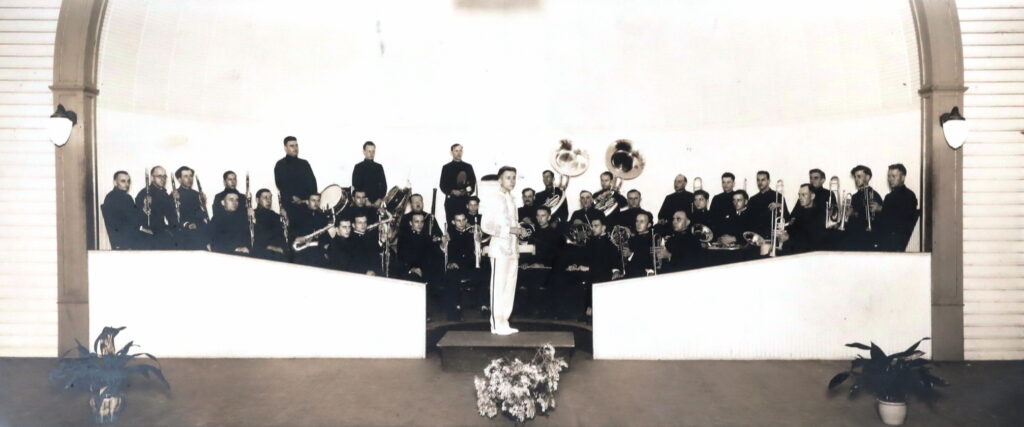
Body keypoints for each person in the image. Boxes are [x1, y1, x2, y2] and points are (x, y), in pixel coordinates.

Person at [480, 166, 530, 335]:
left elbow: (513, 225)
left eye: (514, 177)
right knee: (498, 287)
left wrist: (519, 230)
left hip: (513, 251)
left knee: (510, 287)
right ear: (500, 179)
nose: (512, 181)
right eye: (508, 177)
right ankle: (496, 324)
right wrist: (510, 230)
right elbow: (486, 226)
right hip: (499, 250)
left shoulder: (513, 199)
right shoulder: (493, 198)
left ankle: (504, 322)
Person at [516, 205, 561, 318]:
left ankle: (536, 310)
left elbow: (556, 255)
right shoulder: (534, 233)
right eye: (538, 216)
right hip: (534, 267)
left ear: (549, 217)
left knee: (535, 279)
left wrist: (542, 264)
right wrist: (527, 263)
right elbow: (531, 252)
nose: (540, 218)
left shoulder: (556, 234)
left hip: (549, 269)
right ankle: (522, 309)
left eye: (543, 216)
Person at [874, 163, 919, 252]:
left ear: (902, 177)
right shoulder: (889, 196)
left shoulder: (909, 195)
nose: (890, 179)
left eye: (893, 176)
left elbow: (902, 219)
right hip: (889, 240)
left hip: (898, 242)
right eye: (889, 176)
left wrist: (881, 210)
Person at [101, 171, 151, 249]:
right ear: (115, 182)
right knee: (159, 238)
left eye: (128, 181)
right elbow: (135, 222)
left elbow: (131, 219)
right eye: (123, 181)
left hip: (122, 239)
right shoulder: (125, 198)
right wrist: (145, 229)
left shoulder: (110, 196)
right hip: (128, 240)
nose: (127, 184)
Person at [443, 212, 478, 321]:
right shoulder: (449, 235)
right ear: (453, 222)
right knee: (451, 276)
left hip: (468, 265)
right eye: (458, 220)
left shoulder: (472, 234)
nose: (461, 223)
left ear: (467, 221)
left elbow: (472, 254)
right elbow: (448, 254)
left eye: (463, 220)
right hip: (454, 266)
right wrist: (451, 263)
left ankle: (485, 307)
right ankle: (454, 311)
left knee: (484, 272)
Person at [274, 136, 318, 223]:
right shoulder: (280, 165)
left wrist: (306, 201)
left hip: (307, 207)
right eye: (291, 146)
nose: (295, 148)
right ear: (285, 148)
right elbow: (282, 186)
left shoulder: (304, 164)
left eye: (296, 145)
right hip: (291, 208)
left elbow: (313, 185)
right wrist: (293, 198)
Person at [135, 166, 178, 249]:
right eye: (159, 176)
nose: (163, 179)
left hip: (162, 230)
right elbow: (138, 218)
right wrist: (145, 206)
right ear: (152, 178)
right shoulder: (144, 193)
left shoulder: (163, 193)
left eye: (164, 176)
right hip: (150, 233)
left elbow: (170, 215)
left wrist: (173, 199)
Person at [844, 165, 883, 251]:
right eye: (855, 177)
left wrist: (854, 214)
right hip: (854, 234)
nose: (856, 180)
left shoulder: (874, 195)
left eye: (859, 176)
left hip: (866, 237)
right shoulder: (854, 196)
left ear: (868, 177)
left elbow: (874, 219)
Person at [173, 166, 210, 250]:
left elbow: (202, 215)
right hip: (185, 232)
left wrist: (203, 204)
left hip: (199, 229)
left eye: (191, 176)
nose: (189, 179)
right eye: (185, 176)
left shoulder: (197, 194)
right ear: (179, 179)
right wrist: (186, 224)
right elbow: (173, 217)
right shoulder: (174, 195)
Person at [439, 143, 477, 225]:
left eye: (460, 151)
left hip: (465, 201)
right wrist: (452, 191)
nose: (459, 153)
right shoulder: (446, 167)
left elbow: (473, 183)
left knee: (467, 225)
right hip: (451, 202)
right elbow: (442, 185)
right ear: (451, 152)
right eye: (456, 151)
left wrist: (466, 192)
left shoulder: (468, 167)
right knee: (452, 225)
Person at [784, 184, 826, 254]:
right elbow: (793, 229)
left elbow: (813, 239)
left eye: (804, 195)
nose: (800, 198)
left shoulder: (819, 214)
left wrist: (788, 238)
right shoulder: (798, 212)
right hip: (795, 251)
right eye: (799, 195)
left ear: (812, 196)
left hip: (809, 254)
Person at [747, 170, 789, 239]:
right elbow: (749, 220)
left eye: (763, 180)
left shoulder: (778, 196)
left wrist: (780, 206)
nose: (760, 183)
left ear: (769, 181)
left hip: (772, 236)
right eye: (758, 180)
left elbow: (786, 218)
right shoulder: (752, 199)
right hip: (757, 237)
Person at [291, 193, 329, 267]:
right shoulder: (298, 215)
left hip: (318, 251)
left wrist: (326, 246)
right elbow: (292, 232)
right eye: (313, 200)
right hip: (303, 250)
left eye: (318, 201)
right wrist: (296, 238)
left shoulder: (323, 217)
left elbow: (325, 236)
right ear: (307, 202)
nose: (316, 203)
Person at [252, 189, 287, 261]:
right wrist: (270, 247)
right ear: (257, 200)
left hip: (278, 251)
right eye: (265, 197)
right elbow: (256, 236)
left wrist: (286, 218)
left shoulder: (276, 216)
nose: (269, 200)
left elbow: (281, 235)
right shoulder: (253, 215)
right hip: (262, 251)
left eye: (270, 197)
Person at [352, 141, 387, 206]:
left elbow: (384, 186)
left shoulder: (379, 167)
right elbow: (356, 186)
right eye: (369, 151)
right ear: (364, 152)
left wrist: (379, 199)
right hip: (363, 203)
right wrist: (365, 200)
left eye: (373, 151)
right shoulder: (358, 167)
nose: (371, 154)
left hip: (377, 203)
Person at [622, 211, 657, 278]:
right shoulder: (632, 239)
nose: (638, 224)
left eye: (642, 221)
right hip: (630, 274)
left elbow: (649, 260)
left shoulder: (653, 238)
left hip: (644, 274)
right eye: (637, 221)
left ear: (649, 224)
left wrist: (631, 254)